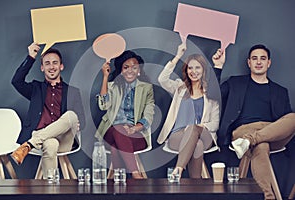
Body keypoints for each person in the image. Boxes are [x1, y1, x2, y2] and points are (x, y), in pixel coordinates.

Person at [212, 44, 295, 199]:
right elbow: (213, 95)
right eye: (254, 58)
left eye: (262, 58)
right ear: (248, 62)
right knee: (261, 146)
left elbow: (285, 124)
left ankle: (249, 141)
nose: (258, 62)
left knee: (293, 118)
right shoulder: (235, 83)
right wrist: (218, 66)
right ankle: (268, 197)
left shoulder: (280, 91)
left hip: (269, 133)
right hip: (243, 131)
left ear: (268, 63)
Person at [11, 42, 85, 176]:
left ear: (61, 66)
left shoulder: (73, 92)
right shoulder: (36, 89)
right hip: (45, 141)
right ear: (42, 68)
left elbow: (82, 122)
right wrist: (31, 57)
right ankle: (51, 190)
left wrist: (77, 123)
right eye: (47, 63)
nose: (51, 66)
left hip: (64, 139)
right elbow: (16, 81)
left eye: (55, 63)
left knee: (71, 116)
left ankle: (29, 144)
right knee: (50, 145)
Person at [157, 42, 220, 178]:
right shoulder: (180, 88)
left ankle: (178, 170)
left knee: (194, 131)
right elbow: (162, 79)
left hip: (204, 134)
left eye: (197, 67)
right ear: (186, 70)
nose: (194, 71)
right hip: (177, 136)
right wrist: (178, 55)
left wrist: (195, 128)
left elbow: (215, 124)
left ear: (203, 70)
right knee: (197, 145)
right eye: (190, 68)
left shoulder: (211, 93)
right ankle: (195, 186)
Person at [95, 50, 155, 179]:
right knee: (118, 130)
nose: (130, 71)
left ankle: (118, 182)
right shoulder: (112, 86)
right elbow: (103, 105)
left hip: (135, 133)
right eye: (126, 67)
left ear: (139, 70)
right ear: (121, 70)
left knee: (116, 149)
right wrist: (105, 77)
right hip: (111, 131)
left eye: (134, 67)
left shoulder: (146, 88)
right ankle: (136, 174)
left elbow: (149, 116)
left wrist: (134, 128)